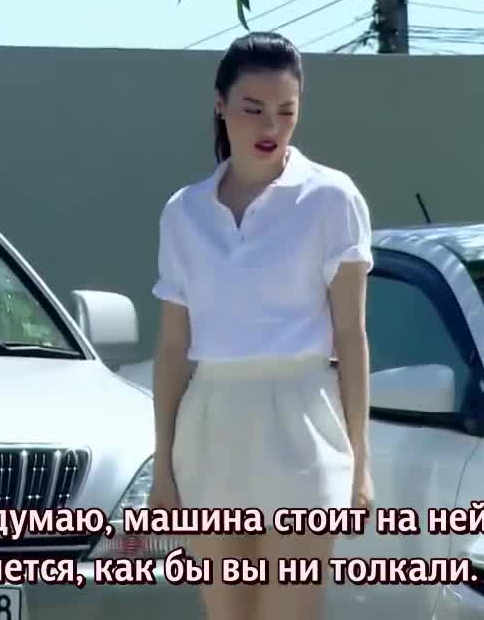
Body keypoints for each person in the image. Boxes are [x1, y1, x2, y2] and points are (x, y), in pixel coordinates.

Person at [147, 31, 375, 620]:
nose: (270, 125)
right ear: (220, 105)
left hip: (303, 423)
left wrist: (361, 463)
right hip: (211, 429)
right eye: (253, 108)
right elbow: (172, 348)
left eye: (286, 110)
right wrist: (163, 467)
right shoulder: (184, 211)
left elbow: (351, 337)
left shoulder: (332, 198)